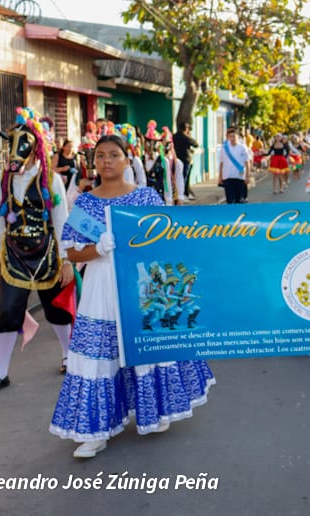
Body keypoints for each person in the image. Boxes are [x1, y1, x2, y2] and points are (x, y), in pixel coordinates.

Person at [49, 134, 215, 459]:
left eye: (114, 154)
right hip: (100, 285)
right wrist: (98, 249)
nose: (106, 161)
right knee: (97, 354)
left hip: (142, 281)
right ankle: (94, 431)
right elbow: (71, 252)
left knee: (146, 347)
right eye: (100, 155)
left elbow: (166, 239)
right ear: (93, 162)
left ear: (127, 159)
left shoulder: (146, 197)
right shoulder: (85, 203)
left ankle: (154, 411)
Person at [0, 107, 74, 393]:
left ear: (35, 149)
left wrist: (66, 259)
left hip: (46, 252)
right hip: (13, 254)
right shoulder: (2, 178)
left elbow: (61, 219)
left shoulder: (51, 179)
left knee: (55, 308)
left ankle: (68, 356)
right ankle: (1, 373)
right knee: (8, 310)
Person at [216, 126, 250, 204]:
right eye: (230, 136)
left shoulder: (242, 148)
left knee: (239, 200)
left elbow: (247, 162)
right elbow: (221, 163)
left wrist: (247, 176)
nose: (232, 138)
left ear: (237, 137)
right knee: (230, 200)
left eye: (234, 136)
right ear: (228, 137)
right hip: (228, 176)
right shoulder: (225, 148)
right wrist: (220, 176)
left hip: (239, 177)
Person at [173, 122, 199, 200]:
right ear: (186, 129)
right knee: (185, 178)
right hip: (185, 159)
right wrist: (188, 135)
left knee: (178, 177)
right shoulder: (185, 137)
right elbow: (196, 144)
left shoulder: (174, 136)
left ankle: (183, 193)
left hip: (176, 159)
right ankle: (183, 194)